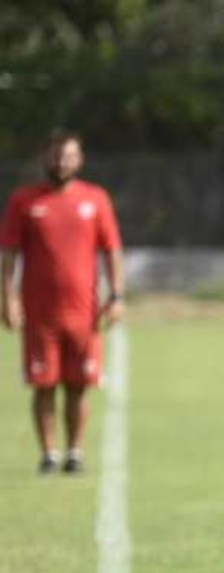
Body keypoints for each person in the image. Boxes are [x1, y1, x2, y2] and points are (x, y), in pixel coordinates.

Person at [1, 130, 125, 474]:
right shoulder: (24, 201)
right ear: (45, 157)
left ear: (80, 160)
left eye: (69, 156)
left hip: (85, 313)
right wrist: (7, 297)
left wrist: (116, 295)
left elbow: (112, 250)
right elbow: (9, 253)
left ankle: (75, 451)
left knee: (78, 385)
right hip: (40, 314)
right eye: (57, 155)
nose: (62, 162)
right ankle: (49, 453)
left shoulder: (95, 199)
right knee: (43, 385)